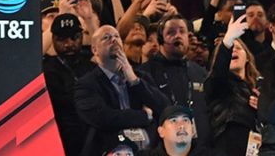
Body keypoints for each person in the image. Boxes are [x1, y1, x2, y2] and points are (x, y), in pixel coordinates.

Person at [74, 25, 170, 155]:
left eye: (116, 36)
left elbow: (165, 108)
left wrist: (135, 81)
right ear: (94, 49)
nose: (113, 40)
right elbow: (103, 118)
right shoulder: (86, 84)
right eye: (106, 37)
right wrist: (144, 116)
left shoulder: (140, 77)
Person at [138, 14, 213, 151]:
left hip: (200, 149)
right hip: (161, 149)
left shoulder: (200, 72)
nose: (177, 36)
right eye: (171, 32)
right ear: (161, 40)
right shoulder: (145, 72)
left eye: (182, 31)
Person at [204, 13, 260, 154]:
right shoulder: (218, 84)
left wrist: (263, 109)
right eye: (231, 48)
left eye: (239, 48)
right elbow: (218, 73)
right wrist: (227, 40)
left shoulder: (258, 89)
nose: (234, 49)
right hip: (228, 145)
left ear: (247, 58)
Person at [43, 13, 96, 155]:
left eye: (74, 37)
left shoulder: (92, 67)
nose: (69, 44)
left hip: (93, 140)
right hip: (58, 139)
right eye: (62, 39)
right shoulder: (45, 70)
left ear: (82, 36)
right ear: (53, 39)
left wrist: (89, 19)